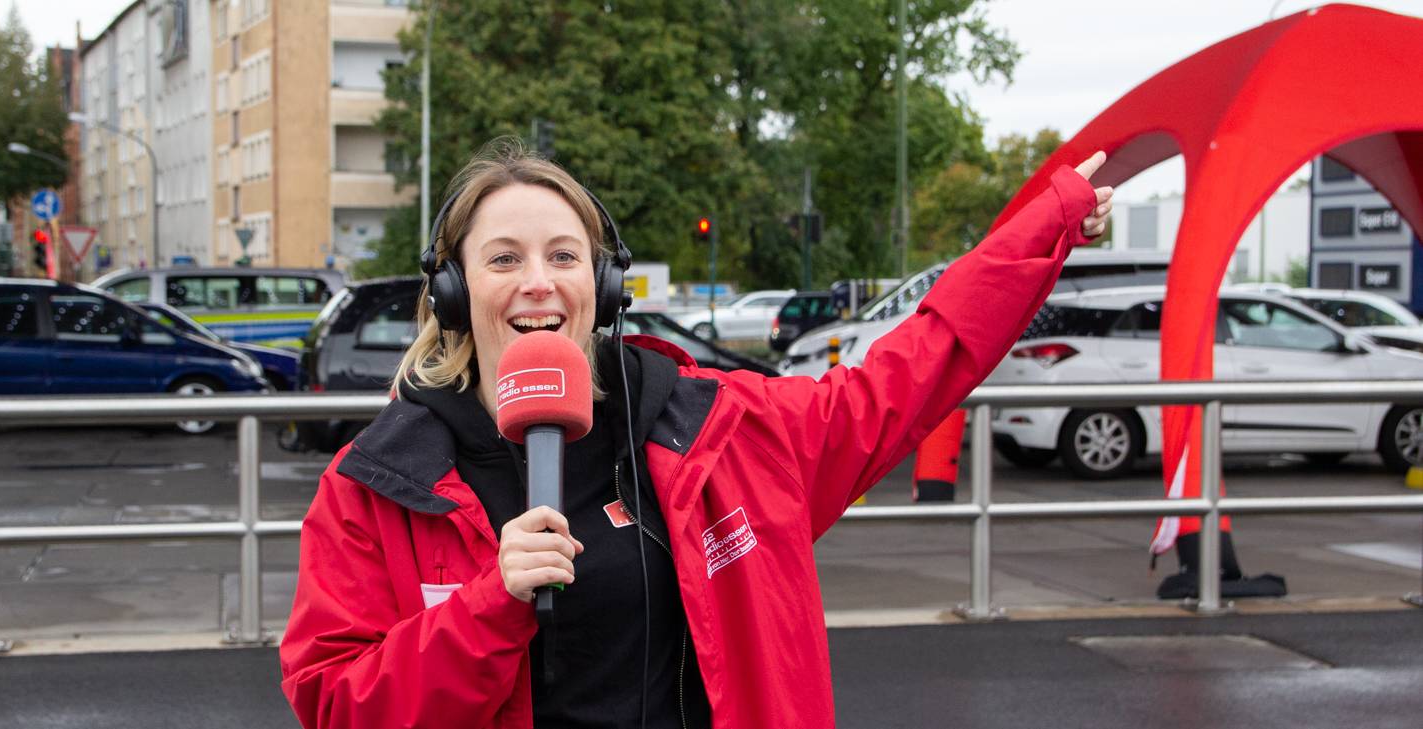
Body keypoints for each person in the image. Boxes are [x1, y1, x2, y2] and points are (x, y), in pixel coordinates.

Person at [280, 138, 1113, 728]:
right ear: (458, 291)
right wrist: (488, 604)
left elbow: (910, 372)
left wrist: (1045, 229)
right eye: (504, 259)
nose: (538, 282)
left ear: (603, 286)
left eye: (564, 256)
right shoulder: (373, 484)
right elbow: (337, 704)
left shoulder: (718, 427)